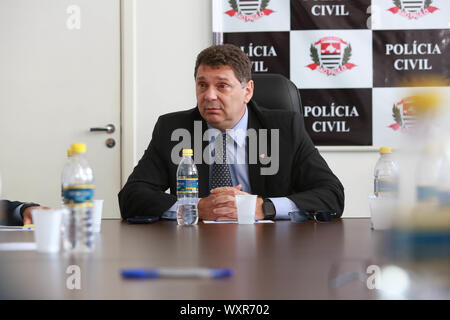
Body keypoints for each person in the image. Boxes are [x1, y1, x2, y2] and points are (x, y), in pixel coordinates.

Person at [119, 44, 344, 221]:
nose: (209, 96)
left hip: (269, 248)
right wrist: (195, 207)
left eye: (222, 86)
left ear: (247, 91)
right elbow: (132, 196)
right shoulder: (173, 129)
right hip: (198, 247)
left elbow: (331, 194)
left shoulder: (284, 128)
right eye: (202, 85)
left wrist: (265, 207)